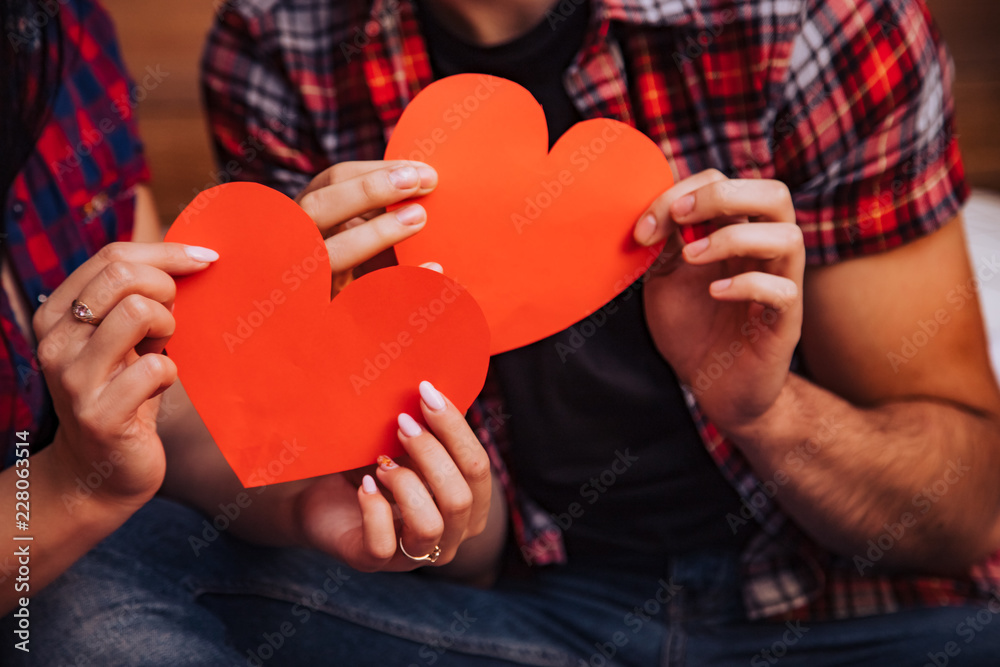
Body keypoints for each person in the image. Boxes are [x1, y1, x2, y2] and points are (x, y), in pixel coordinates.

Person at [15, 0, 1000, 665]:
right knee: (81, 592)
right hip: (507, 616)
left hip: (839, 621)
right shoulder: (281, 39)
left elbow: (970, 509)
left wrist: (763, 407)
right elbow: (448, 537)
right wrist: (391, 505)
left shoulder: (806, 22)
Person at [0, 0, 488, 653]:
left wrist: (303, 485)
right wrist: (68, 487)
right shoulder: (273, 38)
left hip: (154, 552)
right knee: (80, 606)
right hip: (64, 583)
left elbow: (167, 413)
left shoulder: (53, 34)